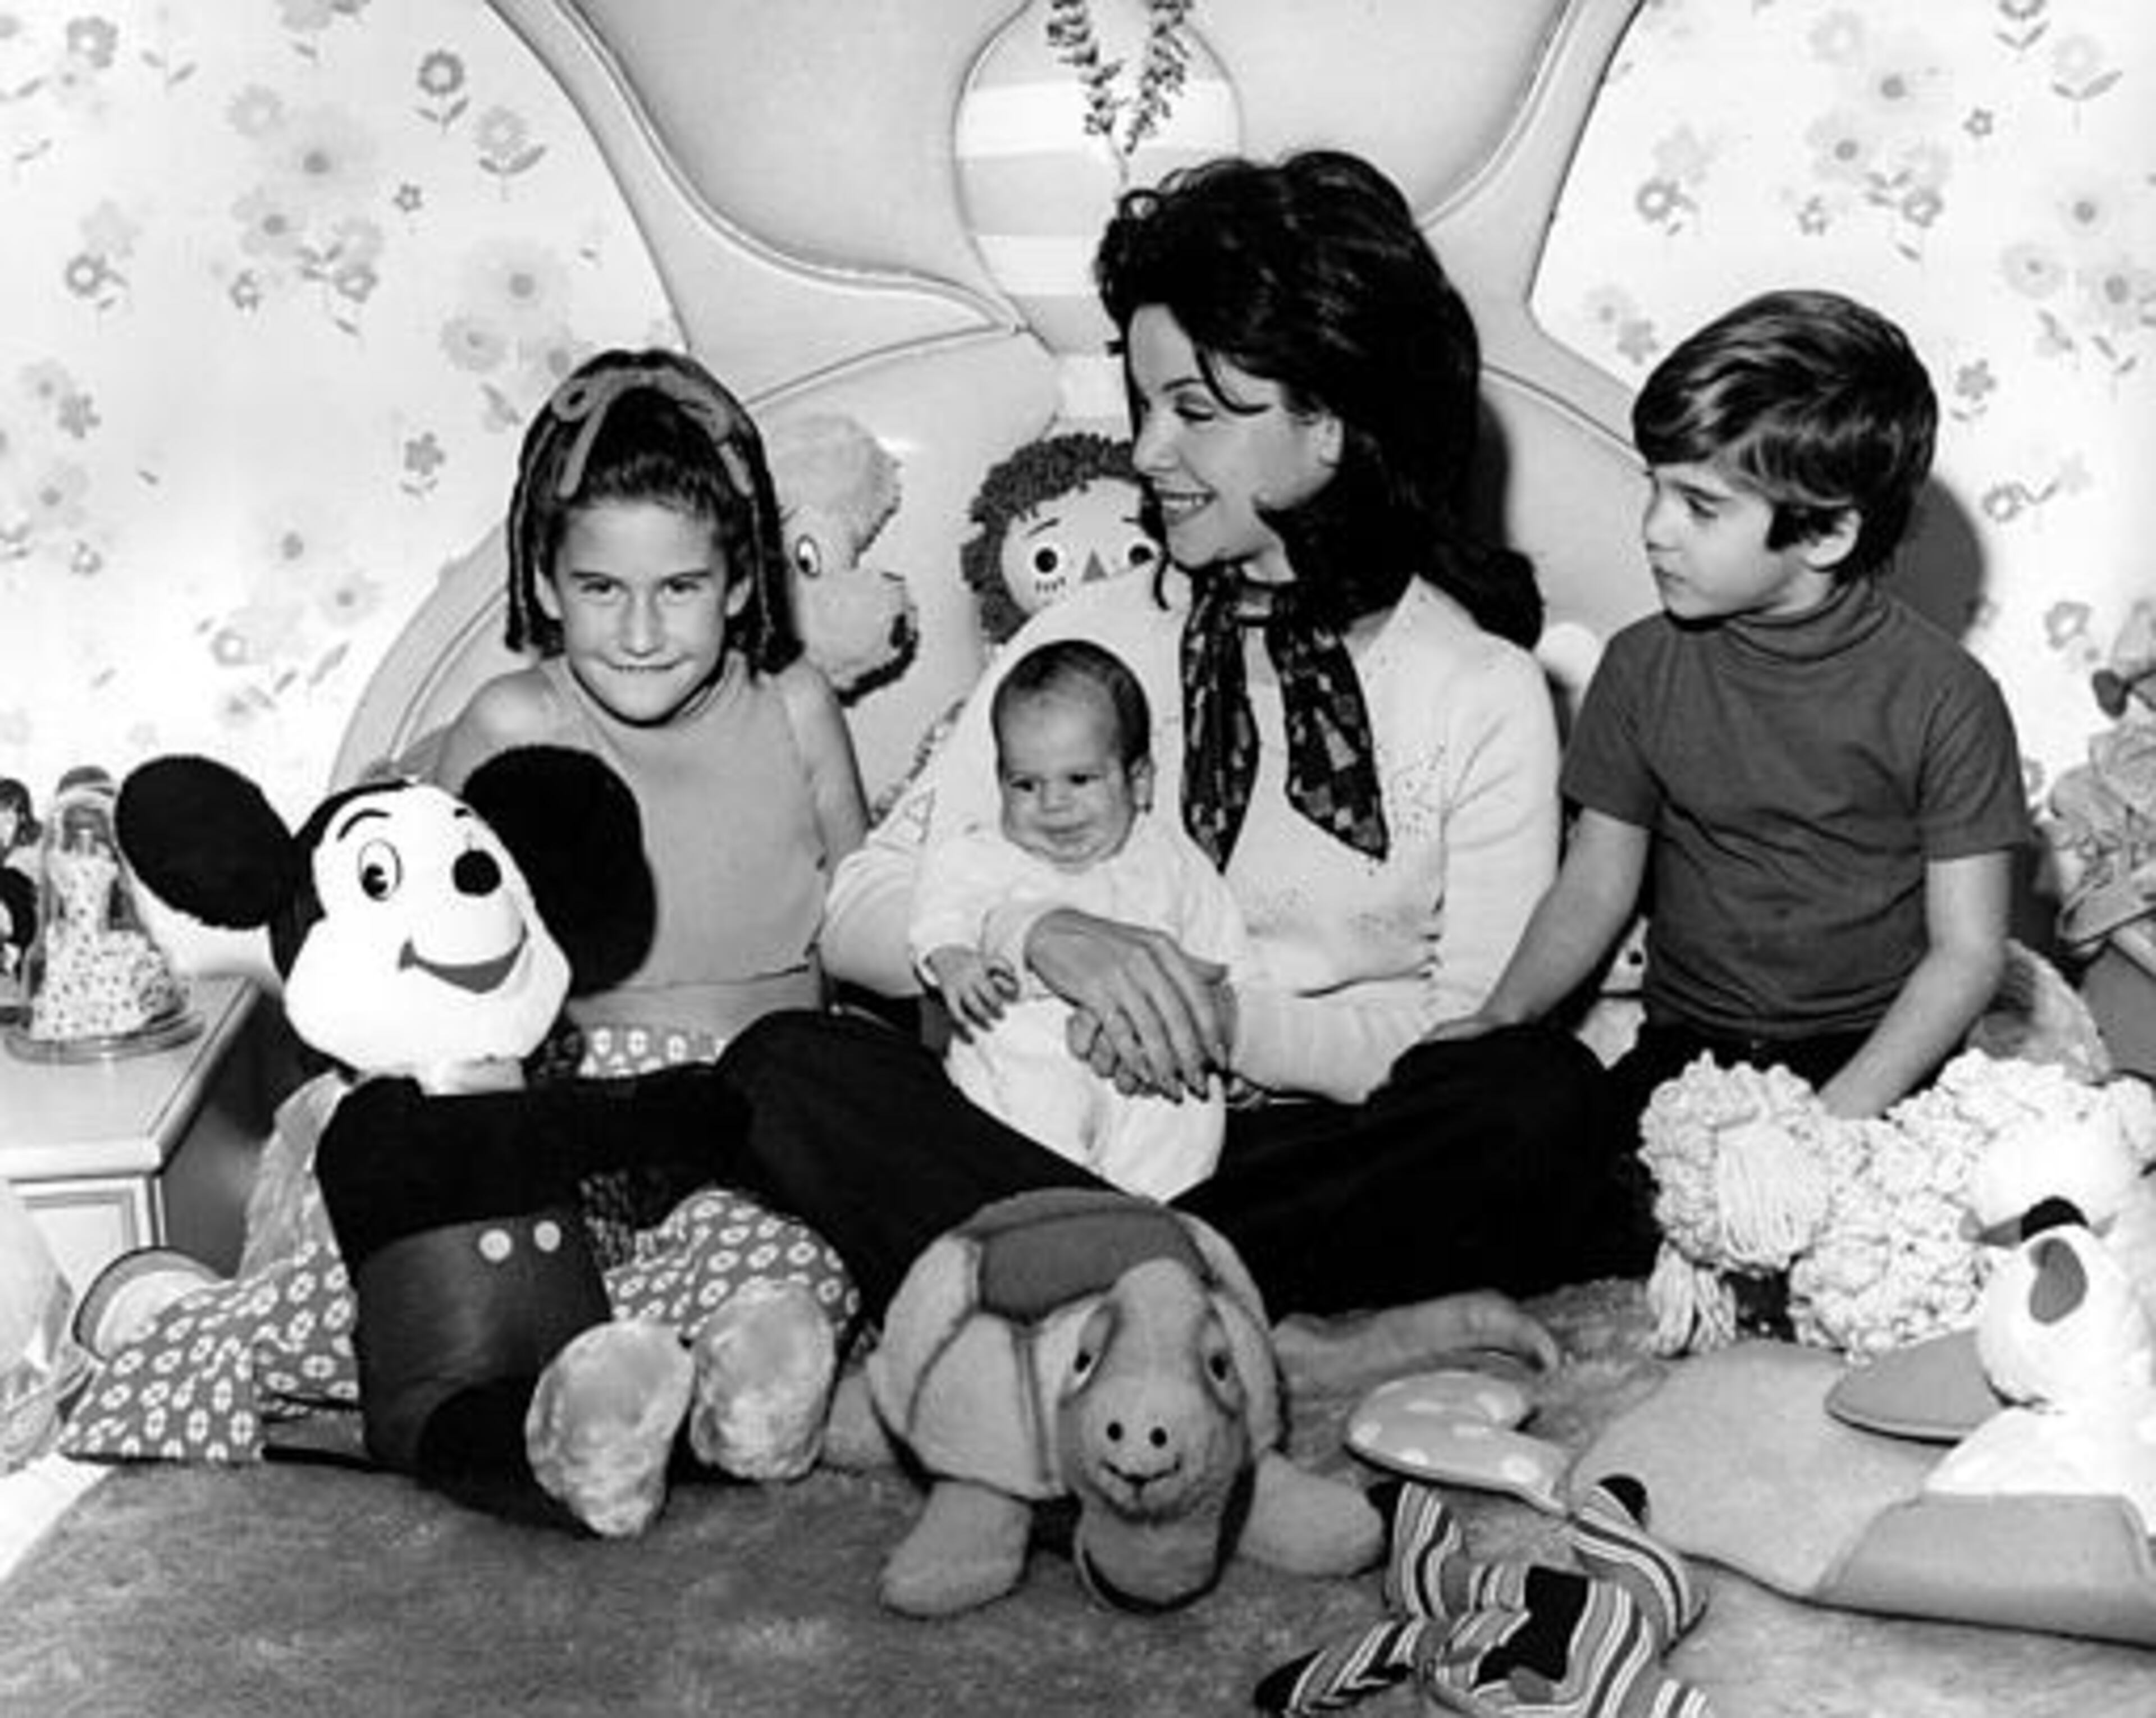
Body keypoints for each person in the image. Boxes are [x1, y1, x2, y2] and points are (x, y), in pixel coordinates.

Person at [716, 149, 1615, 1361]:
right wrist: (1037, 938)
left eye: (1197, 410)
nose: (1144, 453)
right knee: (783, 1068)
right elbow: (861, 908)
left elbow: (1465, 1032)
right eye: (1144, 404)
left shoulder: (1479, 688)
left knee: (1534, 1104)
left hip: (1281, 1152)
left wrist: (1216, 1019)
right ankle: (1212, 1317)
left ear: (1335, 425)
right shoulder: (1088, 631)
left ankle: (1076, 1294)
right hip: (1044, 1125)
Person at [1432, 289, 2030, 1130]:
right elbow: (1596, 882)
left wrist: (1830, 1124)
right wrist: (1503, 1015)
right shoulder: (1643, 667)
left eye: (1701, 507)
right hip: (1691, 1052)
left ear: (1825, 535)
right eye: (1657, 490)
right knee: (1515, 1135)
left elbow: (1967, 955)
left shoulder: (1947, 698)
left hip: (1870, 1060)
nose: (1655, 529)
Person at [430, 346, 870, 1339]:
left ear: (742, 584)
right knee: (483, 1269)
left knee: (809, 1259)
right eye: (599, 589)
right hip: (593, 1114)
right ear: (545, 585)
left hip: (773, 1101)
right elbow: (427, 974)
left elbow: (865, 911)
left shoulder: (796, 706)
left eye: (677, 588)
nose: (638, 632)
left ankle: (737, 1344)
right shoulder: (511, 725)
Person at [912, 637, 1253, 1201]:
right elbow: (941, 908)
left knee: (1183, 1128)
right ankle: (1045, 1226)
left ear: (1138, 779)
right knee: (1022, 1114)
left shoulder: (1171, 860)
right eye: (1025, 785)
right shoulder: (986, 854)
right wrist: (954, 960)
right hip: (1024, 1064)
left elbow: (1226, 958)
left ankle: (1161, 1228)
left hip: (1153, 1076)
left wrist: (1238, 1053)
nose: (1053, 805)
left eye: (1080, 780)